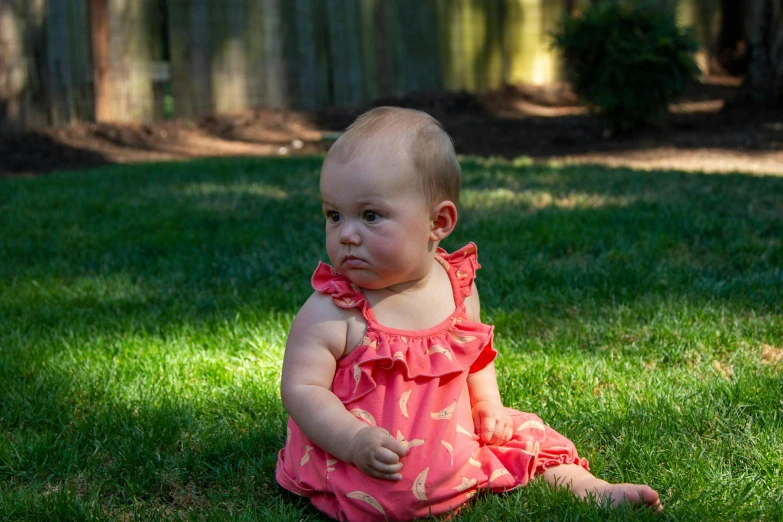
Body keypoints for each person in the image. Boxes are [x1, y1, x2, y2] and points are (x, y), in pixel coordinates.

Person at [276, 107, 662, 521]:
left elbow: (472, 353)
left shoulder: (456, 284)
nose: (347, 234)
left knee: (524, 435)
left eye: (371, 215)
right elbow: (302, 389)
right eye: (334, 215)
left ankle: (592, 489)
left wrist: (487, 404)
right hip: (364, 451)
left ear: (438, 222)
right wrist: (353, 441)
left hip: (452, 434)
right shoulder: (334, 310)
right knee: (392, 496)